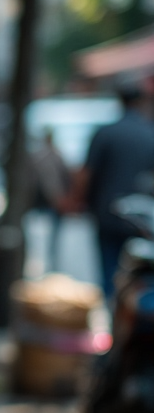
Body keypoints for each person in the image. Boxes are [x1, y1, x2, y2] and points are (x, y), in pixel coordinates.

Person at [67, 85, 154, 298]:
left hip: (107, 213)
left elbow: (85, 174)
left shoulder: (105, 133)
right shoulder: (149, 133)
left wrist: (76, 200)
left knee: (109, 271)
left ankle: (112, 309)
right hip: (141, 219)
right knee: (138, 272)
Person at [30, 129, 72, 272]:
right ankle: (47, 268)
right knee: (47, 238)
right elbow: (51, 180)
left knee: (47, 238)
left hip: (46, 202)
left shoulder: (46, 154)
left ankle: (48, 267)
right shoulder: (50, 155)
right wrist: (57, 198)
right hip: (49, 202)